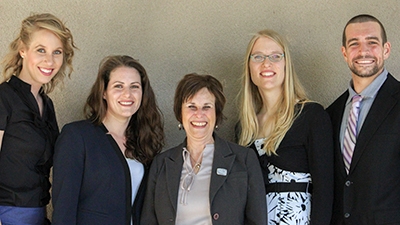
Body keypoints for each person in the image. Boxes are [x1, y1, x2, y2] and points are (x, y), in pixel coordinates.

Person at [51, 55, 164, 225]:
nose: (127, 94)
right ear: (103, 92)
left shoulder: (143, 140)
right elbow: (64, 209)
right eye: (118, 86)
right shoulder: (77, 136)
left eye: (134, 86)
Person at [141, 73, 267, 225]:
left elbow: (257, 220)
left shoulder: (244, 159)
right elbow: (148, 220)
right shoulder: (161, 164)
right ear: (180, 114)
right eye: (191, 107)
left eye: (206, 107)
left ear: (217, 113)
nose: (199, 114)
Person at [236, 29, 334, 224]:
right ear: (249, 67)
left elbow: (325, 191)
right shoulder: (244, 128)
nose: (266, 63)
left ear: (286, 64)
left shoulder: (311, 116)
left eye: (275, 56)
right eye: (258, 57)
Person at [0, 13, 76, 225]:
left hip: (38, 215)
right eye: (41, 50)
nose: (49, 60)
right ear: (23, 50)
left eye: (57, 52)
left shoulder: (47, 105)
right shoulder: (3, 98)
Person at [326, 14, 400, 224]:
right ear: (345, 53)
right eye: (354, 44)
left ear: (386, 49)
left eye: (372, 42)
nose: (363, 51)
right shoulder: (331, 114)